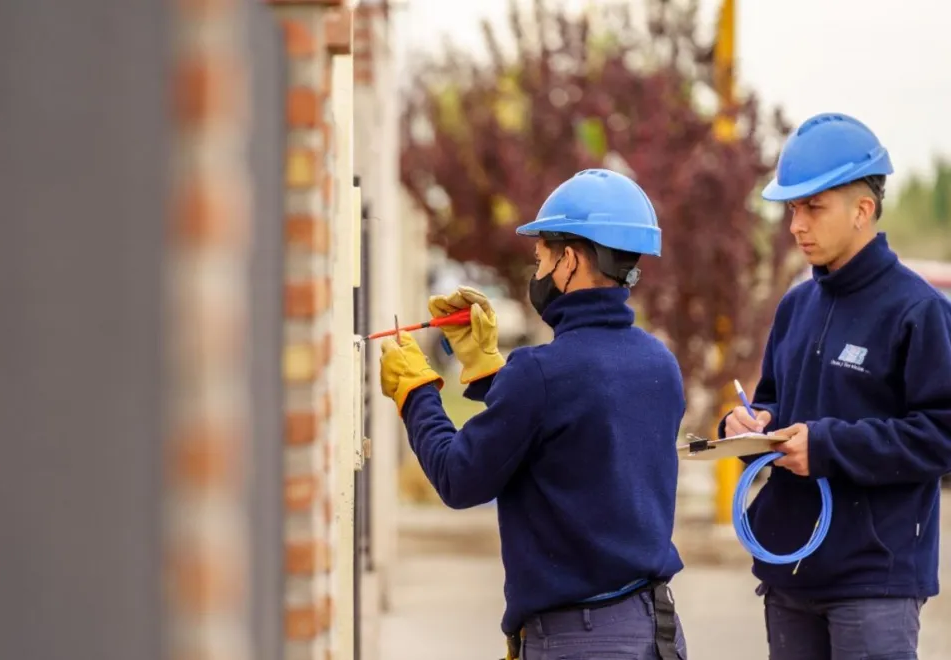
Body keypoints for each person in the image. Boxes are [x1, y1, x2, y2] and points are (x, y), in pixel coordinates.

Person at [378, 169, 689, 660]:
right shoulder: (659, 364)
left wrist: (416, 392)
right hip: (654, 632)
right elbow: (574, 425)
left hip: (578, 642)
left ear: (569, 260)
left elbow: (460, 479)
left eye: (541, 255)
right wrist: (485, 371)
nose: (537, 270)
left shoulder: (542, 374)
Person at [719, 112, 951, 659]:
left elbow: (943, 434)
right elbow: (774, 401)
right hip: (789, 571)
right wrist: (750, 427)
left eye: (812, 208)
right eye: (792, 209)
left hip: (875, 583)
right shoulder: (796, 305)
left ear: (862, 209)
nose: (796, 224)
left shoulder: (918, 311)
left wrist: (827, 447)